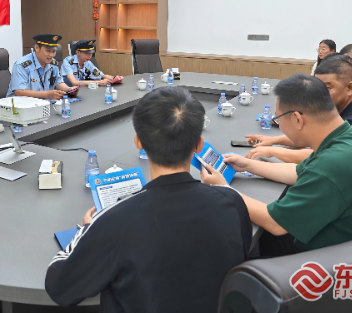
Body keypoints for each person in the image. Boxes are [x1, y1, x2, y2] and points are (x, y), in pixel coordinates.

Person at [45, 87, 251, 312]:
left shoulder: (114, 220)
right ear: (199, 145)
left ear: (138, 142)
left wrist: (88, 229)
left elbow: (59, 287)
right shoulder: (232, 201)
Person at [201, 73, 352, 256]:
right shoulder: (348, 135)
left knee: (253, 239)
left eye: (278, 119)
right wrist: (248, 165)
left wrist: (224, 189)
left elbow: (275, 223)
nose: (278, 124)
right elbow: (298, 172)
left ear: (297, 119)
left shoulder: (332, 165)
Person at [246, 54, 352, 166]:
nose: (319, 93)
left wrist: (272, 151)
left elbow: (319, 156)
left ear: (350, 88)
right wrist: (272, 140)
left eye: (327, 87)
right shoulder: (343, 108)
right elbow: (311, 137)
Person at [6, 34, 73, 100]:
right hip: (21, 104)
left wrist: (69, 89)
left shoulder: (53, 63)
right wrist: (47, 95)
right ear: (37, 48)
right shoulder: (22, 65)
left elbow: (58, 82)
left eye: (53, 51)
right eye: (48, 51)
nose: (51, 55)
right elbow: (19, 91)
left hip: (45, 103)